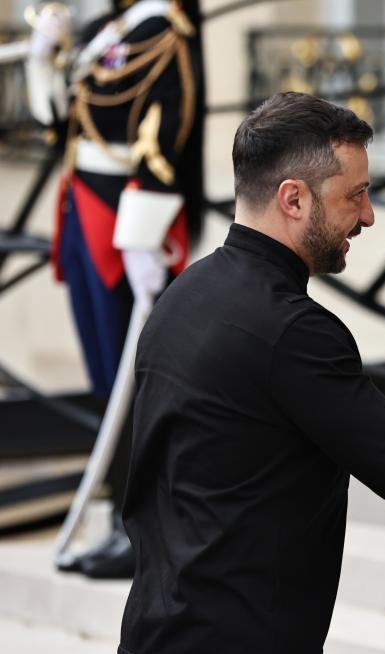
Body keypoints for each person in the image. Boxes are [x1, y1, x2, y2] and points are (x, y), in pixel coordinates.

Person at [117, 92, 385, 654]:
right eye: (356, 195)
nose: (367, 216)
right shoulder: (294, 330)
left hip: (155, 629)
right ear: (293, 198)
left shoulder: (182, 297)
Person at [25, 0, 205, 578]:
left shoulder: (166, 30)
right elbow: (62, 129)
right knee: (108, 382)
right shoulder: (107, 31)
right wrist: (42, 63)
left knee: (137, 387)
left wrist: (144, 234)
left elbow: (166, 136)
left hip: (124, 225)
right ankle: (121, 520)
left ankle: (144, 532)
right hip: (83, 211)